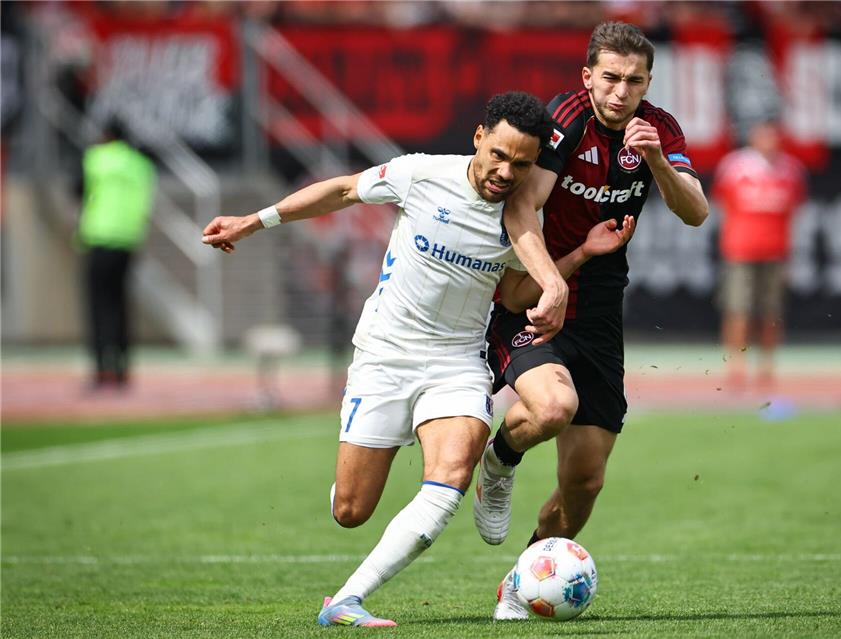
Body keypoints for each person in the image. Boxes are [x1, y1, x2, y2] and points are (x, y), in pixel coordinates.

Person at [200, 92, 634, 628]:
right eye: (498, 155)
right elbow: (339, 191)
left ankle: (346, 599)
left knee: (451, 472)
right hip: (385, 355)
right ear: (479, 137)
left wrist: (579, 258)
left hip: (457, 363)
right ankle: (364, 461)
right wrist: (254, 221)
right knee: (351, 511)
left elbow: (519, 296)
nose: (506, 171)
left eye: (522, 164)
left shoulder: (520, 219)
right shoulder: (421, 175)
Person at [472, 22, 710, 620]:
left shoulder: (660, 130)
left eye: (633, 80)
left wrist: (657, 160)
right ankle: (499, 459)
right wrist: (554, 280)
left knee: (585, 481)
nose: (619, 91)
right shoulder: (567, 118)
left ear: (648, 83)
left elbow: (696, 212)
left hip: (601, 313)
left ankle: (521, 585)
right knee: (552, 409)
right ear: (588, 77)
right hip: (535, 297)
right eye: (609, 77)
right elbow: (524, 205)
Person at [712, 120, 806, 392]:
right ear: (753, 138)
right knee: (737, 309)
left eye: (773, 135)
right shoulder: (734, 167)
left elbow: (795, 214)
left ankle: (766, 366)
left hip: (776, 251)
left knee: (771, 311)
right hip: (740, 250)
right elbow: (721, 205)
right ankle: (736, 367)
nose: (768, 141)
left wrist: (791, 253)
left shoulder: (791, 170)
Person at [76, 117, 156, 389]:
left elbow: (77, 190)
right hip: (128, 239)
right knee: (120, 305)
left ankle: (101, 369)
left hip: (100, 237)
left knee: (98, 306)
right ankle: (122, 369)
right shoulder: (139, 163)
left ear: (107, 135)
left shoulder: (96, 158)